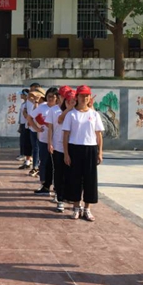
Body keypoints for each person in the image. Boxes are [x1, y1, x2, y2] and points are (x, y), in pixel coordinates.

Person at [63, 85, 104, 222]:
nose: (84, 98)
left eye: (87, 95)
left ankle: (87, 208)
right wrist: (66, 153)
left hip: (90, 148)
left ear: (89, 97)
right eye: (82, 95)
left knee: (90, 180)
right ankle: (76, 207)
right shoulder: (71, 114)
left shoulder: (94, 114)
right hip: (74, 148)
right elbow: (66, 135)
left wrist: (100, 152)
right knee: (75, 178)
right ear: (77, 97)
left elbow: (98, 135)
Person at [47, 87, 75, 213]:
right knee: (59, 172)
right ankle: (60, 197)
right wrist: (50, 143)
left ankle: (69, 196)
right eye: (63, 96)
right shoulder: (54, 110)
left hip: (72, 146)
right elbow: (51, 127)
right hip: (58, 146)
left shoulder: (75, 110)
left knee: (71, 174)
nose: (65, 99)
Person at [30, 87, 56, 195]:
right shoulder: (42, 107)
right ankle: (45, 185)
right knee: (44, 162)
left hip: (57, 142)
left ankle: (56, 186)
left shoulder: (60, 109)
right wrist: (37, 128)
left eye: (52, 97)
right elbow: (30, 117)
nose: (50, 99)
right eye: (48, 96)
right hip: (44, 140)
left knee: (55, 164)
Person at [23, 83, 43, 175]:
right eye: (31, 90)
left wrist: (36, 102)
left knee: (38, 148)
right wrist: (29, 119)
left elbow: (38, 114)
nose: (32, 92)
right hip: (32, 127)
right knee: (34, 147)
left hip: (40, 128)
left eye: (34, 90)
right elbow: (29, 113)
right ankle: (35, 166)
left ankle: (37, 166)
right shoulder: (30, 100)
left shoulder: (43, 103)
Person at [18, 89, 32, 168]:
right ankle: (22, 154)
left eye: (22, 94)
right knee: (22, 140)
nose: (21, 95)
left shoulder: (28, 104)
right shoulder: (24, 103)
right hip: (23, 123)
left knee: (25, 141)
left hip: (27, 124)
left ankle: (25, 156)